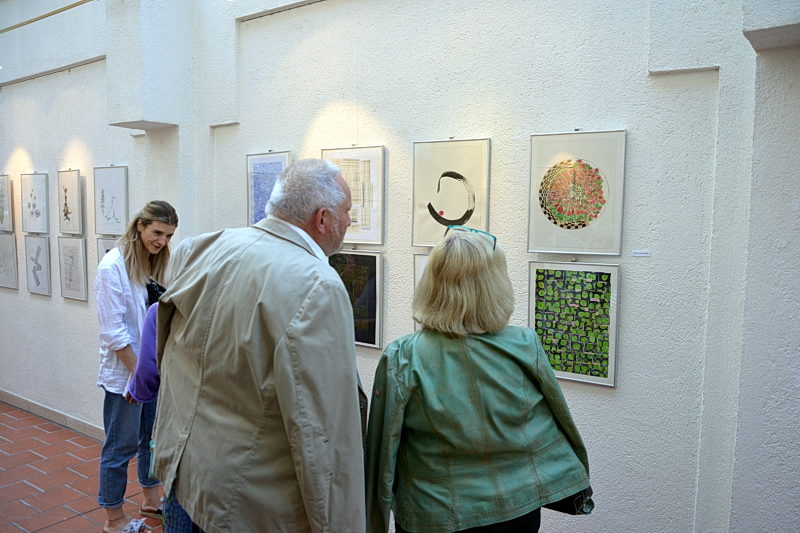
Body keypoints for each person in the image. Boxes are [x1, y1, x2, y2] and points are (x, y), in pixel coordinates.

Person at [151, 158, 367, 531]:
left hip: (184, 475)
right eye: (347, 211)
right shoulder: (318, 285)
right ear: (322, 218)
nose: (350, 221)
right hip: (246, 504)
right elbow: (320, 432)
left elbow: (170, 349)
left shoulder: (205, 246)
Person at [365, 226, 591, 533]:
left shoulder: (404, 357)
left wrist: (373, 523)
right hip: (517, 510)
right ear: (495, 283)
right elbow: (558, 422)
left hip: (438, 514)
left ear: (433, 282)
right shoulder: (524, 344)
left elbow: (381, 454)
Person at [95, 200, 178, 533]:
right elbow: (113, 333)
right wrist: (137, 377)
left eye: (169, 236)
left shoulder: (154, 262)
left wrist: (151, 373)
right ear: (139, 225)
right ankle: (114, 519)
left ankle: (150, 500)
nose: (162, 241)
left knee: (150, 439)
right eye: (157, 232)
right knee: (121, 446)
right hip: (126, 374)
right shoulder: (112, 266)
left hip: (149, 372)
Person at [126, 237, 197, 533]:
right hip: (220, 424)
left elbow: (147, 374)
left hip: (177, 416)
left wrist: (137, 391)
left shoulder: (161, 311)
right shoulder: (227, 309)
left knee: (177, 498)